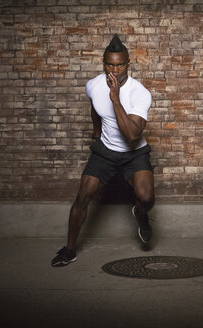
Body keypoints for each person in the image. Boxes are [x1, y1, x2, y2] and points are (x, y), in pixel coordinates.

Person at [51, 34, 155, 267]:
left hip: (134, 153)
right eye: (110, 64)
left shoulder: (140, 93)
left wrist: (116, 99)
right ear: (103, 63)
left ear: (128, 64)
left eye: (119, 64)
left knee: (147, 199)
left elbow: (132, 135)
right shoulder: (93, 85)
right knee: (82, 197)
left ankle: (141, 214)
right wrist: (97, 135)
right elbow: (95, 110)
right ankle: (69, 249)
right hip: (105, 152)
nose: (115, 69)